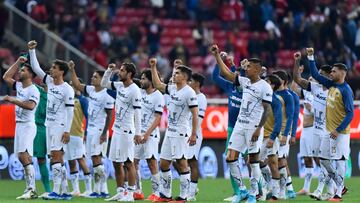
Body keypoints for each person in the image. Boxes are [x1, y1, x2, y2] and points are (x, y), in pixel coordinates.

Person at [211, 44, 272, 203]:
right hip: (239, 125)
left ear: (257, 70)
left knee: (253, 161)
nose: (246, 69)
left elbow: (266, 110)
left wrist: (259, 129)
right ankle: (242, 190)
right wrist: (217, 55)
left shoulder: (265, 87)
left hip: (253, 128)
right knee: (230, 157)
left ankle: (253, 193)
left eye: (250, 67)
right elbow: (225, 73)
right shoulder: (244, 82)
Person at [28, 40, 75, 200]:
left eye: (54, 68)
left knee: (55, 156)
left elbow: (70, 111)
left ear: (61, 72)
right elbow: (36, 68)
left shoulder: (67, 89)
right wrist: (32, 50)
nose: (51, 70)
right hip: (49, 125)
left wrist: (67, 130)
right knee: (55, 158)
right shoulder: (49, 81)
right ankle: (65, 191)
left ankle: (56, 191)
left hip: (60, 126)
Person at [307, 47, 354, 202]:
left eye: (334, 71)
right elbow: (314, 74)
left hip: (340, 134)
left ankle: (338, 194)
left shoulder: (346, 90)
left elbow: (350, 113)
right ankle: (339, 183)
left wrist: (338, 129)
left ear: (342, 73)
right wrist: (311, 56)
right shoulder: (331, 85)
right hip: (328, 131)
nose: (331, 73)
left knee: (340, 162)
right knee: (323, 159)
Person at [150, 58, 198, 202]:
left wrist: (194, 134)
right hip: (170, 132)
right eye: (174, 73)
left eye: (177, 73)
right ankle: (166, 194)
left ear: (184, 77)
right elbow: (158, 84)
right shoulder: (172, 89)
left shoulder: (189, 93)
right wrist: (153, 67)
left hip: (181, 132)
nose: (174, 75)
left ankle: (184, 196)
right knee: (164, 163)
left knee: (182, 163)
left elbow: (195, 115)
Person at [292, 52, 335, 200]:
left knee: (323, 161)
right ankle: (333, 188)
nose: (318, 77)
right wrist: (297, 62)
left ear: (329, 76)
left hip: (327, 131)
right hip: (316, 131)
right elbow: (297, 79)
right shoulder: (315, 88)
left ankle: (321, 189)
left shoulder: (334, 91)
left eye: (321, 75)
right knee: (319, 161)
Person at [69, 63, 114, 199]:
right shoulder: (91, 91)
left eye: (95, 77)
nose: (92, 78)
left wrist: (104, 133)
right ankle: (102, 190)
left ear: (101, 79)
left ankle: (99, 190)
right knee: (95, 159)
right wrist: (72, 69)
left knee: (96, 158)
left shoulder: (106, 95)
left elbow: (110, 115)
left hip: (99, 130)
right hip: (91, 129)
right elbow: (77, 84)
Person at [101, 62, 141, 202]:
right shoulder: (119, 86)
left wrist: (138, 132)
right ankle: (120, 191)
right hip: (117, 129)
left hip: (127, 131)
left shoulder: (135, 90)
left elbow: (138, 112)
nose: (119, 72)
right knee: (116, 162)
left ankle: (130, 193)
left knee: (128, 163)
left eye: (122, 70)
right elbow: (104, 83)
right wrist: (109, 70)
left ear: (129, 74)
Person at [2, 56, 40, 199]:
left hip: (28, 125)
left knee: (24, 156)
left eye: (23, 70)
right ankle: (30, 189)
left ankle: (31, 189)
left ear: (30, 74)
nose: (20, 72)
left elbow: (31, 106)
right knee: (21, 156)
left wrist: (13, 100)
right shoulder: (18, 86)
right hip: (19, 125)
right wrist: (18, 61)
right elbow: (6, 76)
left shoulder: (34, 90)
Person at [211, 52, 244, 202]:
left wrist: (230, 64)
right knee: (231, 159)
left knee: (252, 160)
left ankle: (260, 190)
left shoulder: (249, 90)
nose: (234, 76)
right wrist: (220, 61)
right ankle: (238, 191)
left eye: (237, 74)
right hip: (232, 129)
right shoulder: (231, 87)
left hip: (247, 129)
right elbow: (215, 77)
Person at [133, 69, 164, 201]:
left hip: (150, 135)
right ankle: (138, 191)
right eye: (141, 78)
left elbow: (158, 118)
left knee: (151, 162)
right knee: (133, 162)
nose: (141, 81)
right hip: (138, 134)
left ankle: (156, 193)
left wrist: (146, 134)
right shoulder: (139, 92)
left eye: (144, 78)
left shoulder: (158, 96)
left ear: (151, 81)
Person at [63, 67, 92, 197]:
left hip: (77, 134)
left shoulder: (83, 100)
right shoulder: (67, 99)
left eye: (73, 85)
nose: (71, 87)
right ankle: (76, 189)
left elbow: (88, 118)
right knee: (71, 161)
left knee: (80, 160)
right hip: (66, 134)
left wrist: (86, 133)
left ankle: (89, 188)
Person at [272, 70, 296, 199]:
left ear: (283, 81)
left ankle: (283, 190)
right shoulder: (272, 93)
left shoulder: (288, 95)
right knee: (272, 160)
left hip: (282, 132)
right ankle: (275, 188)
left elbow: (291, 116)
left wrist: (287, 135)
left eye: (277, 78)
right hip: (272, 131)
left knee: (281, 160)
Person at [262, 74, 283, 201]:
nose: (264, 83)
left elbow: (278, 122)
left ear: (272, 85)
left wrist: (272, 137)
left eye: (267, 81)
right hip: (259, 137)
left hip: (270, 137)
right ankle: (269, 184)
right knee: (251, 162)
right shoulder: (261, 98)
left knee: (273, 164)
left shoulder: (276, 101)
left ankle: (275, 194)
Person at [187, 72, 208, 201]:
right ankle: (192, 186)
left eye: (191, 81)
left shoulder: (201, 98)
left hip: (194, 134)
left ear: (197, 83)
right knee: (178, 161)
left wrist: (193, 133)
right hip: (184, 133)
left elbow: (199, 118)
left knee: (193, 161)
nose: (189, 83)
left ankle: (192, 192)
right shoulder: (189, 96)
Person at [33, 82, 52, 197]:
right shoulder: (36, 90)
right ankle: (30, 188)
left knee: (43, 159)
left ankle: (50, 189)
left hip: (43, 129)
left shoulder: (53, 96)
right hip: (31, 126)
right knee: (26, 157)